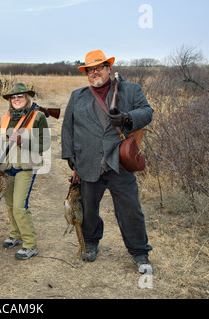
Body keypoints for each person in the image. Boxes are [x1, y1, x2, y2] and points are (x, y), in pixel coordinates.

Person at [61, 50, 154, 273]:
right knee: (89, 210)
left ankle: (140, 253)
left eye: (99, 67)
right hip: (88, 162)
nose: (95, 72)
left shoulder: (129, 89)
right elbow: (68, 127)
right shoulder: (78, 96)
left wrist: (127, 118)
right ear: (86, 73)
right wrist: (70, 154)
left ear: (108, 69)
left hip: (119, 162)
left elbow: (147, 112)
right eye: (90, 69)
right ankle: (91, 243)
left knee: (131, 210)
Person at [0, 83, 51, 260]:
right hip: (7, 167)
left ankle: (30, 244)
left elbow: (45, 144)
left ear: (27, 98)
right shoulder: (4, 118)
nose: (17, 99)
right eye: (13, 97)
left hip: (26, 167)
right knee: (10, 204)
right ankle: (15, 235)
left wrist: (22, 142)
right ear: (10, 100)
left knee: (19, 206)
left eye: (20, 96)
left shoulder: (38, 117)